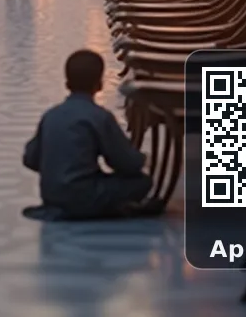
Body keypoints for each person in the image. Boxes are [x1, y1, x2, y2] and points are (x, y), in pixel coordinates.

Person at [22, 49, 160, 221]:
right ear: (99, 84)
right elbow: (125, 163)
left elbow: (30, 159)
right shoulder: (99, 117)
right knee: (141, 182)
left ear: (67, 83)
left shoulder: (51, 115)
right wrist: (142, 159)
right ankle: (104, 208)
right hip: (85, 195)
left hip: (52, 196)